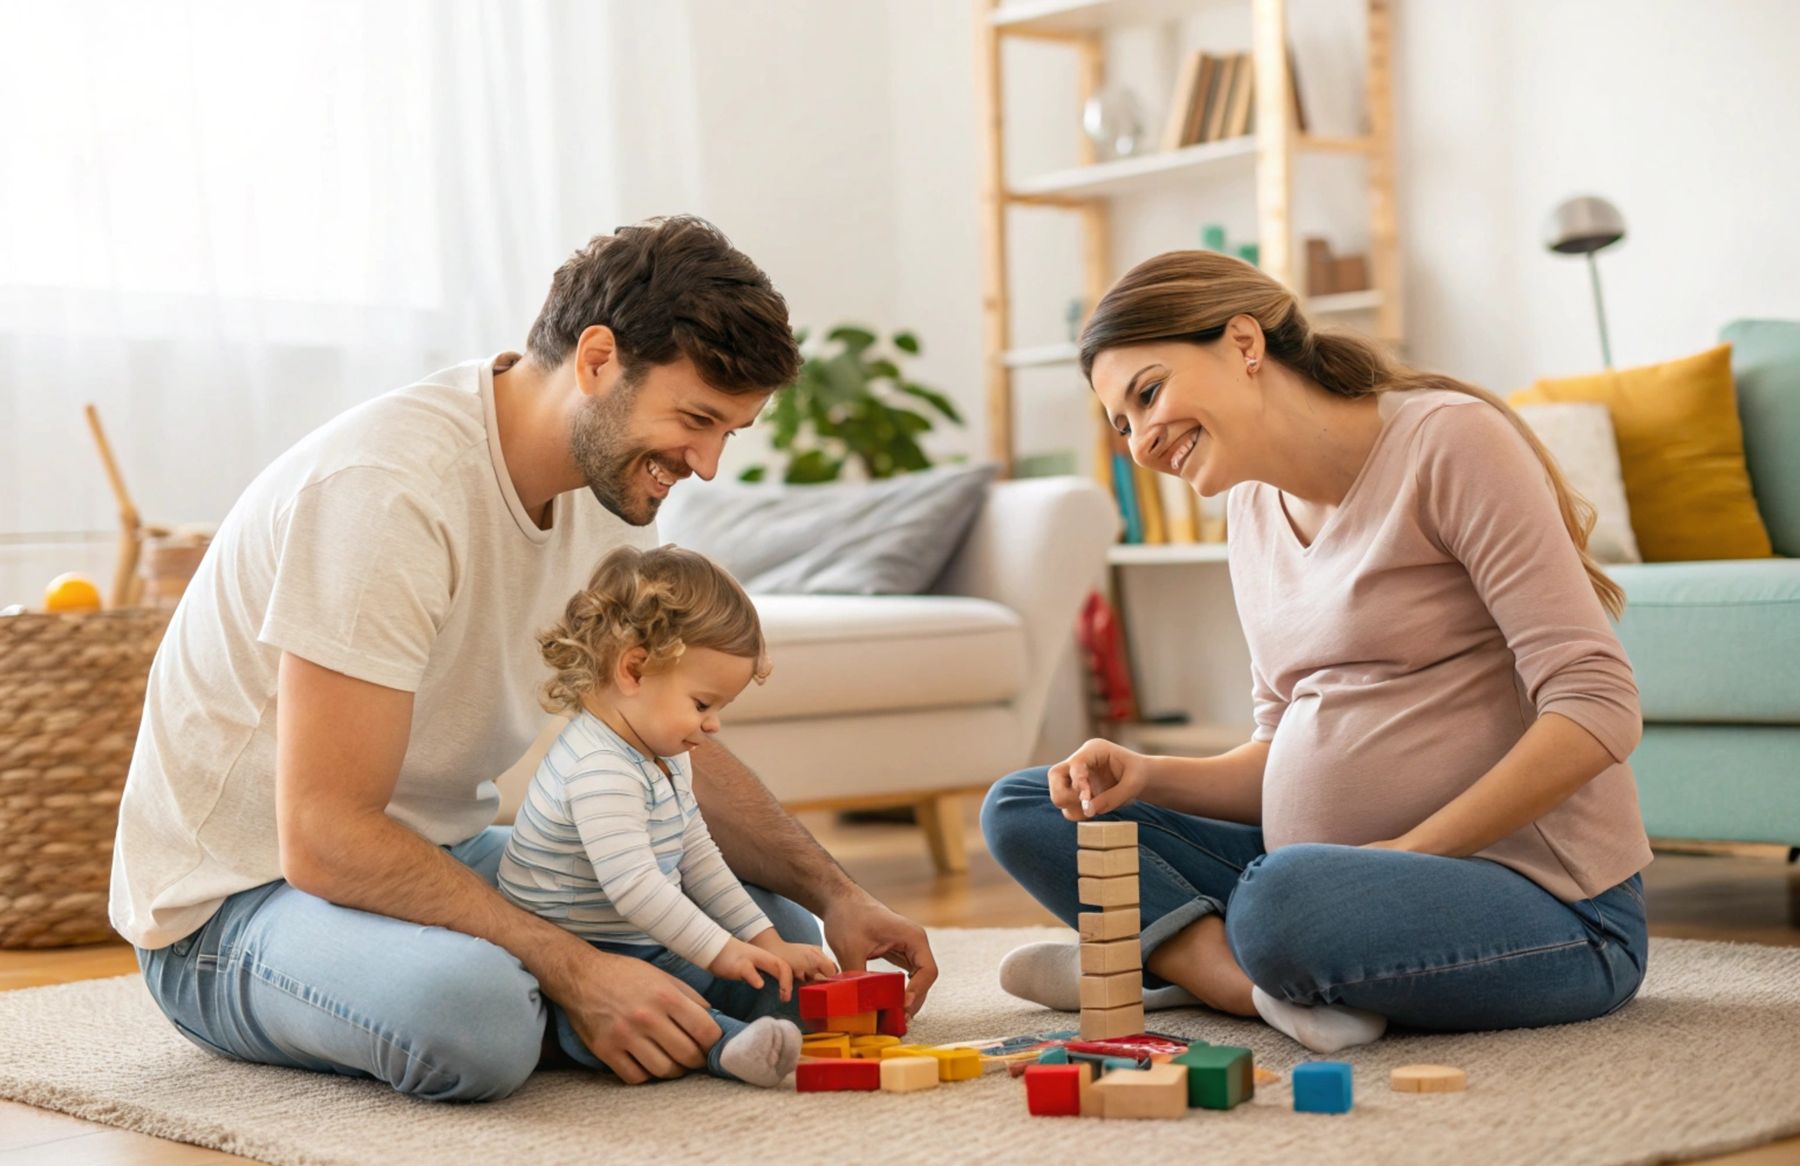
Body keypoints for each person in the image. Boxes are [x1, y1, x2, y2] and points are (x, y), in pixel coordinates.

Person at [113, 215, 937, 1101]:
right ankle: (570, 1005)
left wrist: (836, 890)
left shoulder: (609, 488)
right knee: (479, 1016)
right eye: (696, 420)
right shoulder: (390, 493)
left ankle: (608, 998)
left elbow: (660, 734)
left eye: (727, 433)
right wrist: (578, 969)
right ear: (595, 361)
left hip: (435, 855)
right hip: (238, 904)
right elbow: (324, 839)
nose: (703, 465)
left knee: (774, 938)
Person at [984, 250, 1649, 1053]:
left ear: (1242, 343)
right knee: (1027, 806)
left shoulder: (1449, 443)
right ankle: (1234, 980)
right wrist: (1150, 774)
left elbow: (1598, 703)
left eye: (1149, 393)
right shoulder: (1253, 510)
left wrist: (1398, 862)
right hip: (1320, 882)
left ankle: (1183, 961)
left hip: (1549, 906)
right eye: (1121, 424)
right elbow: (1281, 749)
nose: (1142, 443)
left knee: (1287, 902)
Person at [499, 544, 836, 1088]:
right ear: (633, 669)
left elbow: (697, 856)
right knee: (678, 999)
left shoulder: (664, 751)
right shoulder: (598, 766)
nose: (713, 725)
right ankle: (723, 1047)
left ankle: (767, 1020)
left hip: (639, 938)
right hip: (584, 955)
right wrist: (722, 951)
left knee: (777, 981)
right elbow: (634, 886)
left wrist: (763, 941)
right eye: (703, 705)